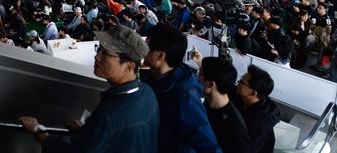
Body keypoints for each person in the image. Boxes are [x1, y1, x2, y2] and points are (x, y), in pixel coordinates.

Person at [19, 26, 159, 153]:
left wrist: (39, 132)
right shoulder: (148, 93)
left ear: (129, 66)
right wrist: (88, 132)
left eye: (106, 54)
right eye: (99, 49)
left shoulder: (109, 116)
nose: (97, 57)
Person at [144, 24, 221, 153]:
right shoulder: (152, 78)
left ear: (160, 56)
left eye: (146, 46)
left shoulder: (185, 93)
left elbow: (207, 144)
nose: (142, 50)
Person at [192, 55, 251, 153]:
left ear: (211, 84)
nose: (197, 77)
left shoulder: (234, 128)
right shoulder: (209, 102)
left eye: (200, 74)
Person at [235, 65, 281, 153]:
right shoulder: (241, 98)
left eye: (242, 82)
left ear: (253, 93)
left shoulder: (260, 122)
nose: (238, 82)